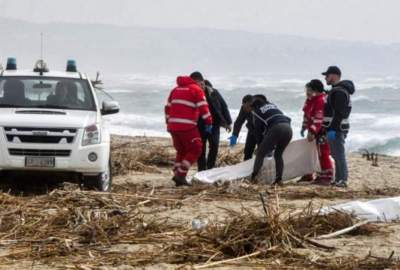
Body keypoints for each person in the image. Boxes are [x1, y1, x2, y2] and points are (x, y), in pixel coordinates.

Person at [165, 71, 213, 186]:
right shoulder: (196, 90)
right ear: (199, 81)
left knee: (181, 151)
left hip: (173, 126)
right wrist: (209, 122)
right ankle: (181, 175)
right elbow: (204, 108)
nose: (203, 87)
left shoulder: (175, 89)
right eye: (202, 84)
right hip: (187, 126)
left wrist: (168, 122)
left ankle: (177, 173)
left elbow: (167, 107)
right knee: (196, 148)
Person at [322, 66, 355, 188]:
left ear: (335, 76)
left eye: (327, 75)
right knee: (335, 154)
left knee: (339, 154)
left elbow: (339, 113)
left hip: (336, 129)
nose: (325, 78)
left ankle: (343, 180)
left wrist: (331, 129)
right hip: (334, 128)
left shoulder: (340, 92)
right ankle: (338, 179)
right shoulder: (336, 90)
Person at [250, 97, 292, 185]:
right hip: (288, 128)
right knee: (278, 154)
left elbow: (258, 131)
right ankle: (279, 179)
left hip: (277, 128)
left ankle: (253, 177)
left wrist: (260, 146)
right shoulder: (273, 106)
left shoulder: (257, 112)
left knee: (260, 153)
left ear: (255, 107)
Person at [299, 79, 334, 185]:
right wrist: (304, 127)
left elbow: (319, 118)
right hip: (313, 130)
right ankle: (309, 173)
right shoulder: (310, 100)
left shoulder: (321, 100)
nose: (307, 92)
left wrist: (313, 131)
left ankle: (327, 176)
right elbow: (306, 115)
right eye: (306, 90)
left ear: (316, 90)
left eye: (309, 90)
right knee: (311, 152)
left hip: (323, 131)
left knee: (323, 152)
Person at [197, 79, 232, 171]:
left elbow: (224, 106)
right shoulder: (194, 93)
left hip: (214, 123)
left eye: (202, 84)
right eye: (199, 84)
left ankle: (210, 168)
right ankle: (201, 169)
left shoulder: (214, 92)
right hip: (200, 124)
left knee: (214, 146)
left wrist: (228, 122)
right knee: (201, 148)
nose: (201, 86)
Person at [230, 94, 267, 161]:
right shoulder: (244, 107)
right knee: (247, 151)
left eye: (246, 107)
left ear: (250, 103)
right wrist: (234, 135)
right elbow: (239, 121)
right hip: (252, 130)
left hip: (263, 131)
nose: (245, 109)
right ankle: (246, 167)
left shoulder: (262, 106)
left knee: (262, 152)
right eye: (243, 106)